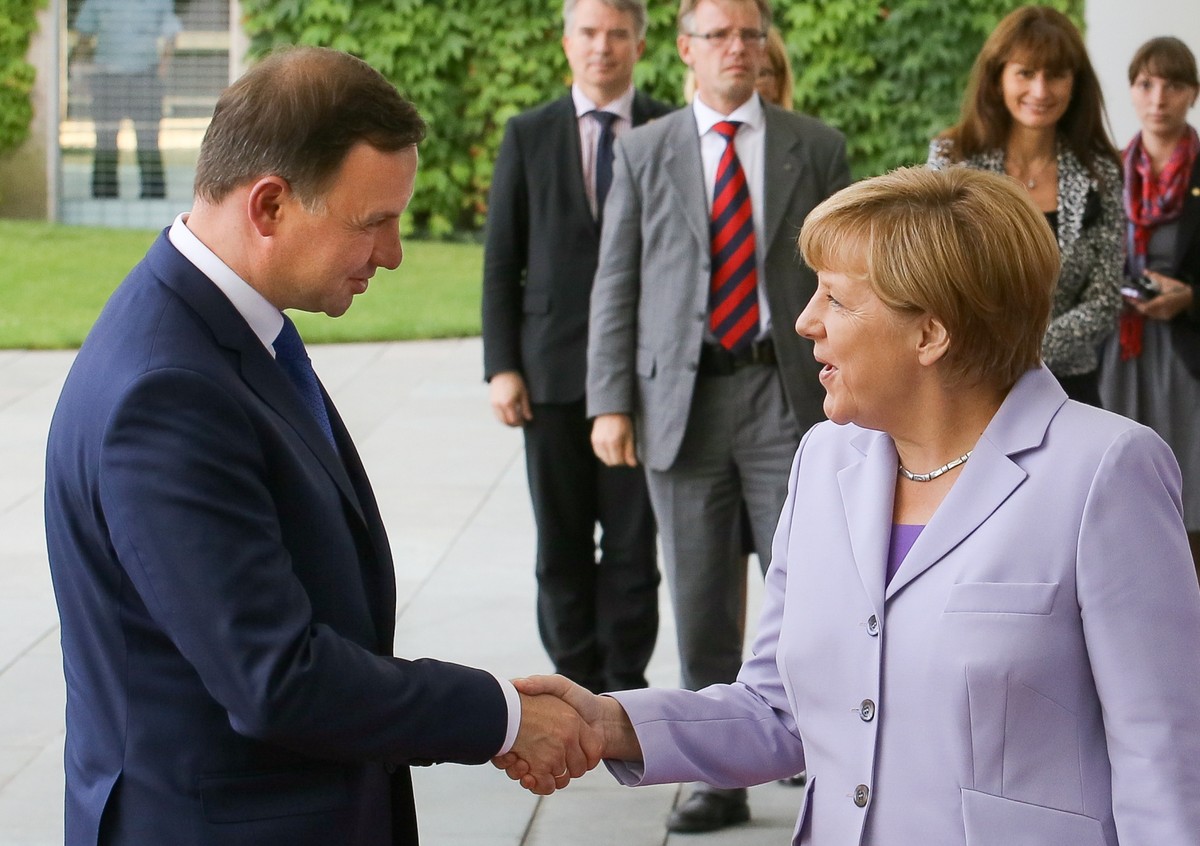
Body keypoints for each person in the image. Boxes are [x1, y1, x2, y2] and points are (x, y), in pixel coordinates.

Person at [504, 165, 1200, 845]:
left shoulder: (1104, 471)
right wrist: (607, 722)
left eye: (835, 299)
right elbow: (778, 711)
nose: (805, 321)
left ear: (930, 332)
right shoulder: (826, 457)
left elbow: (1163, 756)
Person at [44, 46, 597, 846]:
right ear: (269, 206)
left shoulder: (226, 326)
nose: (395, 252)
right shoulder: (167, 392)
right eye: (373, 221)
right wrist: (502, 717)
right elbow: (276, 679)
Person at [586, 0, 850, 831]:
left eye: (749, 33)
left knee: (811, 585)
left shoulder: (817, 146)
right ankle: (717, 774)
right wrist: (609, 401)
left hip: (788, 397)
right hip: (681, 402)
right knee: (701, 598)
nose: (737, 48)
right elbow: (617, 279)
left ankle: (826, 754)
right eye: (718, 35)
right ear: (685, 50)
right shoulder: (643, 150)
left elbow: (850, 277)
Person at [481, 0, 670, 696]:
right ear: (567, 43)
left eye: (618, 33)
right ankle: (574, 677)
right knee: (560, 542)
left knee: (630, 544)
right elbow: (503, 260)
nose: (603, 47)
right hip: (550, 373)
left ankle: (624, 681)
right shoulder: (526, 134)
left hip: (640, 377)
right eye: (589, 33)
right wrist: (502, 365)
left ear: (640, 44)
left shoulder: (668, 128)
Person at [927, 5, 1123, 407]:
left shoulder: (1100, 172)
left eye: (1056, 74)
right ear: (998, 78)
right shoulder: (952, 159)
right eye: (1026, 73)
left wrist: (1019, 352)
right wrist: (990, 354)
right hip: (971, 387)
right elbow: (932, 274)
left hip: (1069, 390)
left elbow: (1104, 301)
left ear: (1075, 83)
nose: (1040, 90)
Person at [1099, 38, 1200, 577]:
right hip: (1118, 353)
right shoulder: (1105, 173)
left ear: (1193, 94)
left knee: (1191, 500)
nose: (1158, 98)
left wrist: (1190, 298)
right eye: (1145, 84)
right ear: (1132, 91)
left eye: (1173, 85)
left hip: (1185, 360)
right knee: (1119, 498)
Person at [71, 0, 182, 199]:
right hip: (107, 76)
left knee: (147, 138)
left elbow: (171, 35)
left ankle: (152, 195)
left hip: (144, 76)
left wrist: (161, 69)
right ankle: (104, 195)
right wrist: (81, 72)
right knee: (105, 138)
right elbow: (84, 37)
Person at [685, 25, 793, 108]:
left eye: (759, 75)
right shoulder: (671, 134)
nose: (738, 85)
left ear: (778, 83)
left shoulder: (806, 134)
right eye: (726, 72)